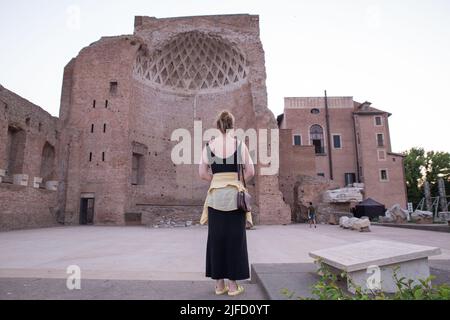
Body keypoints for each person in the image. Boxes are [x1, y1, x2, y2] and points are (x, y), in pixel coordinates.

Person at [199, 110, 254, 297]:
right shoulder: (239, 145)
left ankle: (219, 286)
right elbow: (251, 171)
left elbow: (202, 173)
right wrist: (237, 181)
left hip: (215, 198)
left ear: (217, 125)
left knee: (216, 239)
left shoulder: (209, 146)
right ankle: (233, 287)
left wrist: (216, 180)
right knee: (235, 240)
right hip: (235, 197)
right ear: (232, 125)